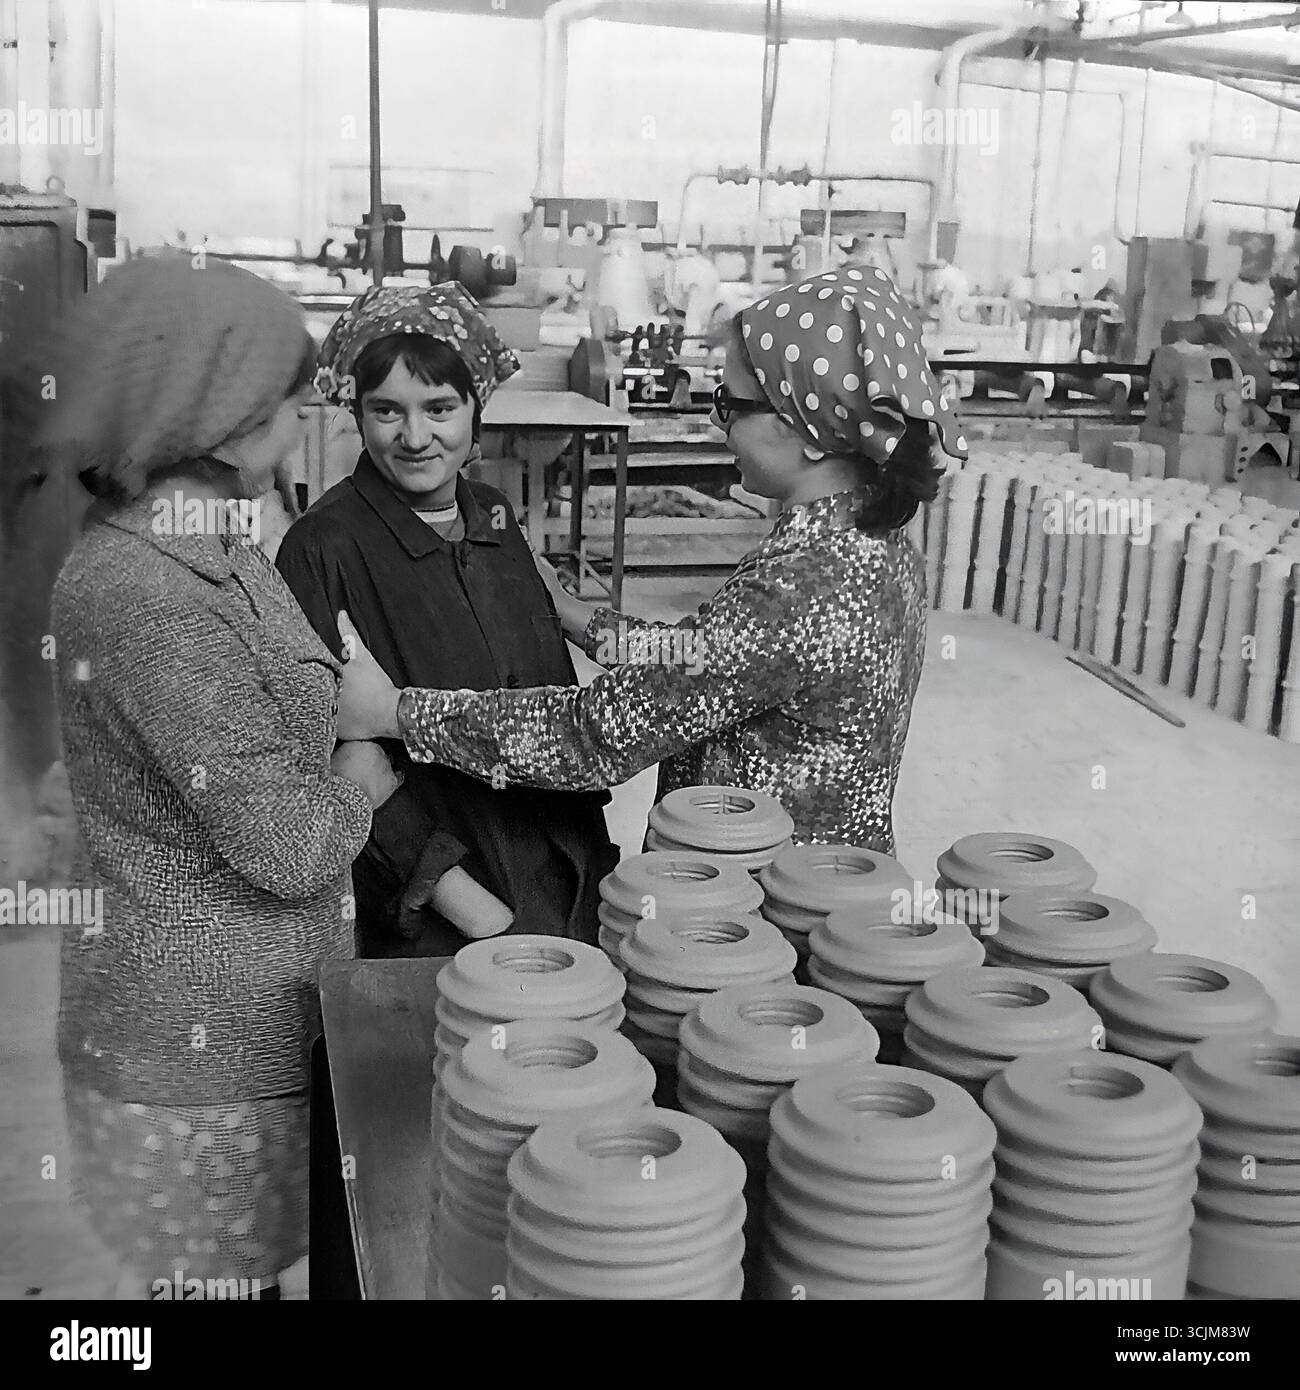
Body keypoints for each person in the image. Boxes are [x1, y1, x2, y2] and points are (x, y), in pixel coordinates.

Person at [333, 265, 969, 854]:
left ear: (808, 429)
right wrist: (577, 616)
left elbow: (597, 733)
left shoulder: (799, 590)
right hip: (829, 888)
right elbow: (710, 662)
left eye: (733, 405)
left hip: (751, 912)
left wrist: (396, 712)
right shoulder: (873, 544)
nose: (719, 425)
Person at [43, 258, 396, 1299]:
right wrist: (362, 775)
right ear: (229, 414)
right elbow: (285, 843)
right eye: (295, 406)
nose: (302, 430)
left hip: (254, 1026)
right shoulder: (144, 592)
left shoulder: (218, 543)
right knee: (209, 1287)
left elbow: (267, 702)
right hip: (191, 1058)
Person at [275, 284, 617, 957]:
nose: (414, 437)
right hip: (438, 911)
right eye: (385, 411)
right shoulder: (322, 548)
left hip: (559, 869)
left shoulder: (493, 516)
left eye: (439, 408)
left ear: (475, 410)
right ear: (355, 410)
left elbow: (543, 687)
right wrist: (465, 903)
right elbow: (332, 758)